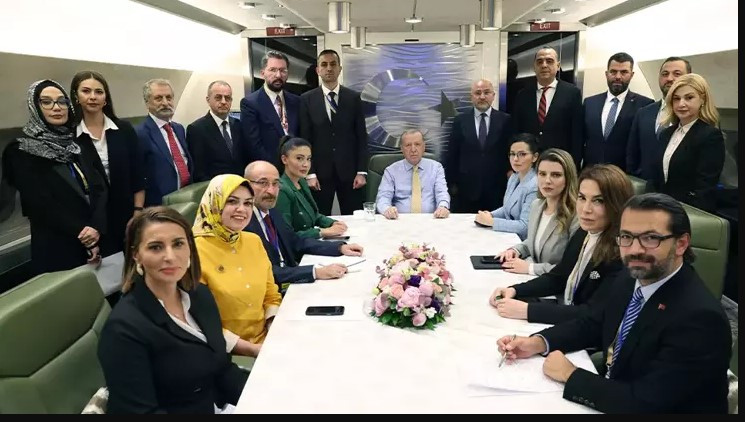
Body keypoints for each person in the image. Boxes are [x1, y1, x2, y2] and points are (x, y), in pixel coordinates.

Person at [497, 193, 731, 413]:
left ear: (681, 244)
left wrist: (571, 375)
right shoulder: (631, 277)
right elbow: (595, 323)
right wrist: (538, 342)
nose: (635, 250)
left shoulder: (699, 318)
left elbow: (647, 404)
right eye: (627, 237)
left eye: (651, 238)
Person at [98, 207, 248, 414]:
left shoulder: (200, 295)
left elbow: (222, 369)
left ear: (190, 247)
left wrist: (266, 395)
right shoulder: (123, 329)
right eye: (155, 247)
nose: (170, 256)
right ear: (136, 255)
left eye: (178, 244)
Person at [489, 164, 632, 324]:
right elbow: (558, 277)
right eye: (582, 198)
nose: (586, 209)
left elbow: (593, 313)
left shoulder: (621, 252)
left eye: (598, 201)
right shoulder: (584, 232)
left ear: (617, 205)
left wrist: (528, 310)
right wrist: (514, 290)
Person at [1, 79, 107, 273]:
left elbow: (99, 186)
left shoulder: (76, 144)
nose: (56, 108)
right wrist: (84, 234)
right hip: (57, 244)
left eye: (62, 101)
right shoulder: (21, 150)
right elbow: (38, 203)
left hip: (95, 236)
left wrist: (96, 226)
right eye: (46, 102)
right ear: (35, 107)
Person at [193, 174, 282, 357]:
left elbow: (271, 294)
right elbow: (198, 322)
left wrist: (274, 327)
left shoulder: (253, 241)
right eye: (232, 201)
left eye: (248, 203)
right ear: (215, 203)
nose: (242, 209)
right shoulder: (192, 251)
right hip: (224, 353)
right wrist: (253, 350)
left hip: (267, 341)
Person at [244, 160, 363, 287]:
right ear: (246, 186)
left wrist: (339, 248)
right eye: (263, 183)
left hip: (290, 280)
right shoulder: (244, 223)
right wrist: (315, 272)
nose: (271, 191)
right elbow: (264, 272)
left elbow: (296, 242)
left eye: (275, 183)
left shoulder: (272, 211)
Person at [71, 70, 145, 256]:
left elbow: (137, 174)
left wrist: (137, 212)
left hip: (127, 214)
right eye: (86, 91)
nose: (93, 97)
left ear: (106, 98)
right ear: (76, 96)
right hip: (93, 222)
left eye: (99, 92)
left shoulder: (123, 129)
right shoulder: (71, 135)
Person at [299, 49, 369, 215]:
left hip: (350, 172)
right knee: (319, 217)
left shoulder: (353, 98)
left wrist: (361, 172)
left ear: (340, 68)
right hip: (319, 173)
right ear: (318, 70)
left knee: (355, 217)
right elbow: (305, 139)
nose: (329, 68)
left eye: (333, 64)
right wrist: (310, 173)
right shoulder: (307, 99)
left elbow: (361, 136)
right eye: (324, 65)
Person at [496, 148, 580, 275]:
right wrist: (516, 250)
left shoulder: (576, 216)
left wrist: (530, 268)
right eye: (542, 174)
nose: (547, 181)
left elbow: (572, 270)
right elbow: (534, 241)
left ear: (568, 178)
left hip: (554, 285)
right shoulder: (537, 205)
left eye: (556, 175)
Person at [651, 73, 724, 212]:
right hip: (662, 207)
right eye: (676, 99)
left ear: (702, 99)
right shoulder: (666, 133)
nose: (681, 104)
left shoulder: (710, 135)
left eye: (689, 98)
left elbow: (704, 187)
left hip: (689, 212)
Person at [446, 79, 512, 213]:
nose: (482, 97)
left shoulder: (506, 120)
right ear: (471, 97)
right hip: (466, 191)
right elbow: (453, 155)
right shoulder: (460, 121)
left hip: (497, 190)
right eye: (478, 93)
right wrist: (451, 185)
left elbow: (510, 152)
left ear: (493, 95)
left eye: (486, 92)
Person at [513, 46, 583, 168]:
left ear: (558, 65)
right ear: (534, 67)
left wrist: (573, 166)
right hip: (529, 164)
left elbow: (577, 134)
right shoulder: (523, 95)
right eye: (539, 62)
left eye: (549, 61)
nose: (544, 65)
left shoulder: (572, 93)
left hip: (560, 163)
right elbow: (516, 131)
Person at [582, 52, 653, 170]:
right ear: (606, 74)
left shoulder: (645, 105)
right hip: (591, 171)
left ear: (631, 75)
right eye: (613, 72)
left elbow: (645, 145)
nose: (618, 76)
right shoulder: (590, 103)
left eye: (624, 72)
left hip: (624, 174)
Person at [626, 57, 691, 179]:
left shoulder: (697, 115)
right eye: (665, 74)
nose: (669, 78)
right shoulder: (643, 113)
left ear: (689, 78)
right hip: (646, 186)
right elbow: (632, 154)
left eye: (677, 74)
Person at [275, 136, 347, 239]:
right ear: (284, 159)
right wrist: (322, 232)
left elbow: (313, 215)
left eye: (308, 159)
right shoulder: (282, 190)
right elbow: (287, 235)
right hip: (300, 247)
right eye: (299, 158)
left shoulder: (302, 182)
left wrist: (333, 223)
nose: (305, 164)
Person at [135, 79, 193, 206]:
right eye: (158, 98)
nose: (165, 103)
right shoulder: (139, 134)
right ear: (147, 102)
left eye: (169, 97)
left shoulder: (179, 129)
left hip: (186, 199)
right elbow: (137, 176)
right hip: (158, 205)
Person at [240, 51, 300, 165]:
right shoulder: (250, 103)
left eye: (283, 70)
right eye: (273, 70)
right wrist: (275, 168)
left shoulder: (296, 101)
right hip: (268, 168)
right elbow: (253, 145)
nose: (278, 75)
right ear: (262, 73)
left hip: (296, 167)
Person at [474, 133, 538, 240]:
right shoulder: (514, 177)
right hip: (508, 235)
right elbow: (507, 208)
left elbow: (525, 226)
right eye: (512, 154)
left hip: (523, 242)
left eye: (522, 154)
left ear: (535, 157)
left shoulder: (535, 185)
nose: (515, 159)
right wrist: (490, 214)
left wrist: (491, 221)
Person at [376, 129, 450, 220]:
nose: (413, 149)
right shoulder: (391, 171)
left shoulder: (436, 168)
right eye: (408, 145)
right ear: (402, 148)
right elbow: (383, 198)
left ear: (424, 147)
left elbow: (442, 193)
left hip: (431, 219)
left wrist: (443, 207)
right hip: (400, 220)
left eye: (417, 144)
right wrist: (387, 209)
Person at [186, 80, 246, 182]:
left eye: (227, 98)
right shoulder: (196, 129)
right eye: (218, 97)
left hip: (240, 184)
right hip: (215, 187)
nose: (223, 102)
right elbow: (198, 171)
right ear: (208, 100)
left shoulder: (239, 125)